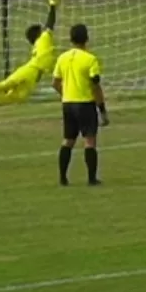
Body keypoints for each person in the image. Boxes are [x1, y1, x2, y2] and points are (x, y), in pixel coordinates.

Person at [52, 24, 109, 186]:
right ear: (87, 39)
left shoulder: (62, 58)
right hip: (85, 104)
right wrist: (102, 110)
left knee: (68, 140)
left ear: (70, 39)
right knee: (89, 141)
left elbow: (55, 83)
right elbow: (95, 85)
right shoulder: (90, 60)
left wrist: (66, 94)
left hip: (68, 104)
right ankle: (91, 179)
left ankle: (63, 178)